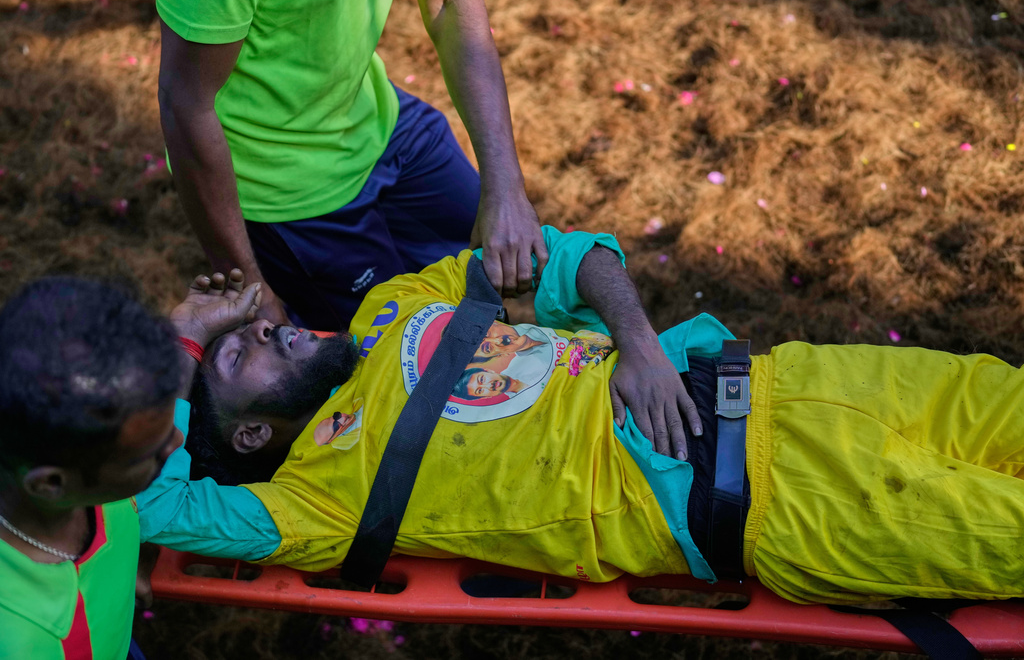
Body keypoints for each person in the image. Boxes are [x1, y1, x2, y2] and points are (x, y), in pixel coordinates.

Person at [137, 228, 1024, 607]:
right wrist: (180, 338)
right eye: (234, 355)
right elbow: (155, 504)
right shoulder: (313, 503)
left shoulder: (393, 309)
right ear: (250, 431)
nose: (258, 327)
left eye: (243, 327)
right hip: (787, 501)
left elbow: (572, 257)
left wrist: (636, 339)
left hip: (791, 379)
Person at [154, 0, 548, 331]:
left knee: (479, 299)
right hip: (285, 190)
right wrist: (251, 289)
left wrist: (506, 188)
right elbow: (186, 105)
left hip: (376, 117)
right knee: (403, 370)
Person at [0, 278, 188, 659]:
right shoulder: (22, 640)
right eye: (151, 454)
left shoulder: (86, 465)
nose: (178, 442)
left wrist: (121, 564)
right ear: (51, 484)